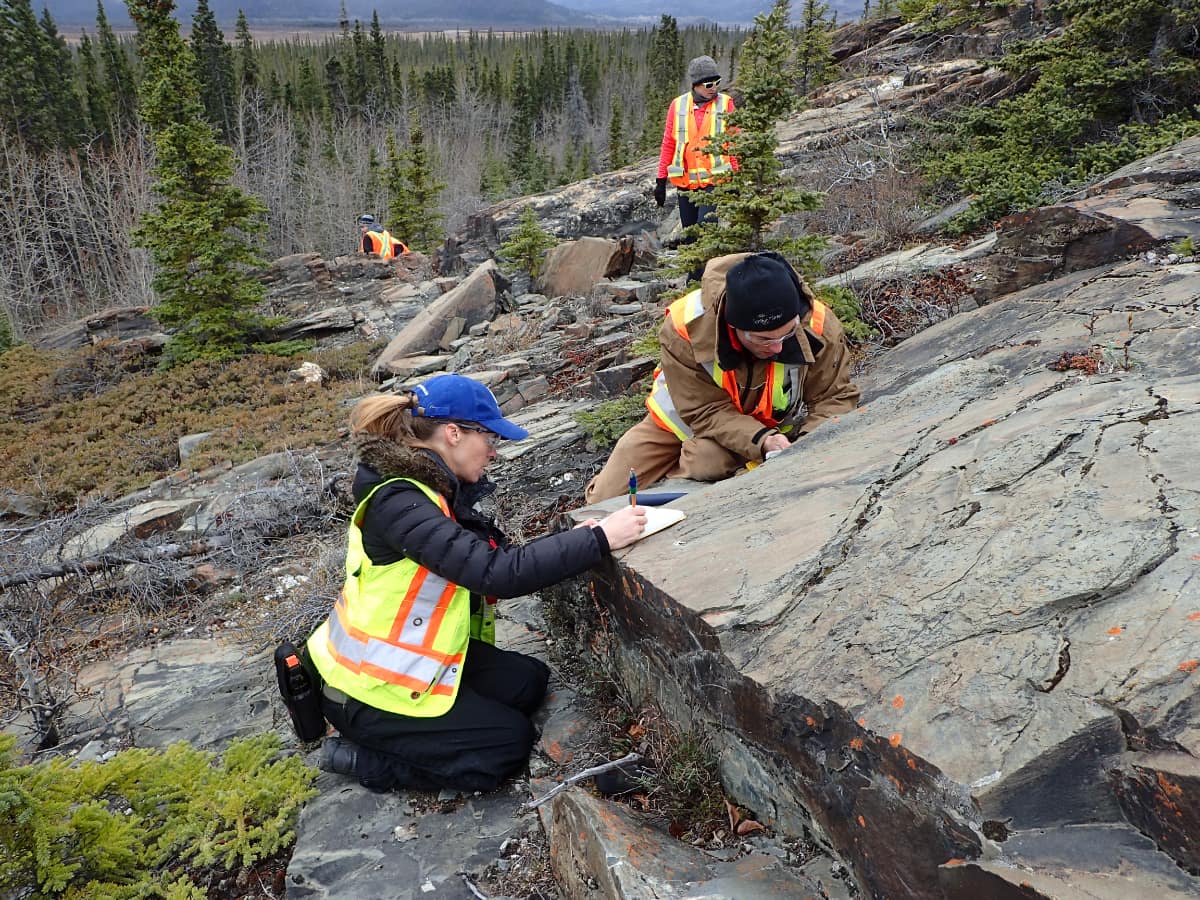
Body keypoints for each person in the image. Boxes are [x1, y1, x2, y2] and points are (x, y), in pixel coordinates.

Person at [307, 373, 646, 793]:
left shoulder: (432, 488)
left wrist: (581, 538)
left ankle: (430, 732)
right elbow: (494, 573)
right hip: (364, 689)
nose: (494, 452)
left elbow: (489, 558)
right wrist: (598, 540)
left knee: (528, 682)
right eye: (489, 438)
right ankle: (365, 759)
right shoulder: (399, 502)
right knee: (505, 745)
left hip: (406, 668)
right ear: (453, 433)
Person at [585, 252, 861, 503]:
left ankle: (699, 464)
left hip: (766, 427)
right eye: (763, 339)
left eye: (787, 335)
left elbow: (834, 397)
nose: (777, 348)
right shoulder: (685, 327)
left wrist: (807, 448)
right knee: (604, 499)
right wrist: (761, 440)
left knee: (708, 460)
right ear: (733, 326)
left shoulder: (816, 324)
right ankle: (686, 465)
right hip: (680, 419)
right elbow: (704, 410)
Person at [653, 55, 737, 271]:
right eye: (709, 84)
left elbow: (734, 142)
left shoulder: (725, 104)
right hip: (686, 184)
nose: (714, 88)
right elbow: (668, 144)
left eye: (717, 83)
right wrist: (660, 180)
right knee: (690, 234)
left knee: (707, 229)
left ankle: (709, 278)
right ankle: (694, 281)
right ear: (696, 85)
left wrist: (736, 178)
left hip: (715, 182)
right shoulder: (678, 105)